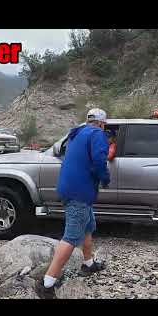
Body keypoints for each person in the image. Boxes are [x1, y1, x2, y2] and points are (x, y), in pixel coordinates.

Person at [36, 108, 110, 299]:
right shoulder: (98, 134)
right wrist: (105, 178)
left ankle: (88, 263)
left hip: (68, 187)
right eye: (104, 125)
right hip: (80, 191)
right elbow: (99, 161)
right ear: (101, 123)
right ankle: (47, 283)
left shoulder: (77, 133)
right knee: (71, 236)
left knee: (88, 225)